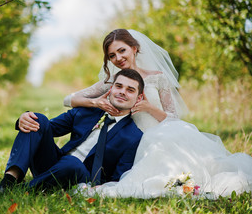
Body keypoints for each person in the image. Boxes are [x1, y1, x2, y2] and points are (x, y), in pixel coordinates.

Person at [25, 29, 252, 198]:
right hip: (125, 140)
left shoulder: (157, 77)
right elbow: (69, 99)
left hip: (157, 137)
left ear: (134, 48)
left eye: (121, 50)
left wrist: (149, 108)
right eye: (112, 55)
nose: (118, 58)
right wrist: (98, 103)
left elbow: (174, 117)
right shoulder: (113, 82)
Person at [0, 69, 145, 199]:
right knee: (37, 119)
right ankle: (7, 184)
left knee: (72, 163)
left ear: (138, 98)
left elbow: (119, 178)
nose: (122, 92)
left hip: (83, 179)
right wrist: (23, 118)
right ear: (111, 88)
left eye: (130, 90)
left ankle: (20, 192)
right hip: (53, 164)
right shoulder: (86, 111)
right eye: (119, 86)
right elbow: (47, 127)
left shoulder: (134, 136)